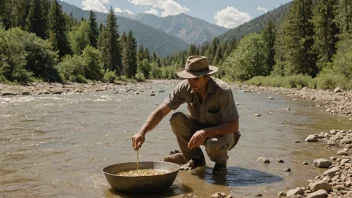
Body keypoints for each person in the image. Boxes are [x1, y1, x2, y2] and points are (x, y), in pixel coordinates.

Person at [132, 55, 240, 175]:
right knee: (176, 118)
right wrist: (142, 132)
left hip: (224, 135)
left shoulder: (222, 91)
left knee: (213, 143)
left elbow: (234, 125)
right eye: (188, 78)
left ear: (207, 76)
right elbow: (161, 111)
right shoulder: (184, 87)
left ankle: (220, 164)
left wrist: (205, 132)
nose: (191, 82)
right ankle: (196, 159)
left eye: (195, 79)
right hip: (198, 129)